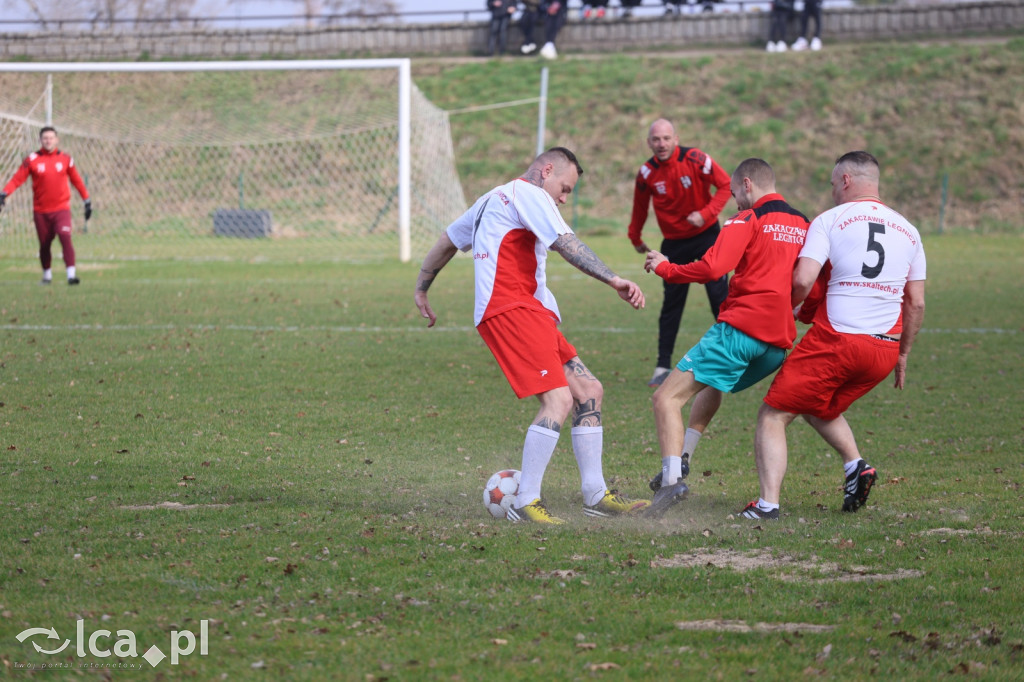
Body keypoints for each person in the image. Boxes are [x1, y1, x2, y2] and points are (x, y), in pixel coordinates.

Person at [415, 147, 651, 524]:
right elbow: (566, 243)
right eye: (565, 188)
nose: (563, 198)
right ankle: (526, 502)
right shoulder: (528, 193)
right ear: (546, 170)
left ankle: (595, 496)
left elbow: (447, 241)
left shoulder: (490, 199)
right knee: (558, 399)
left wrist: (422, 287)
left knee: (589, 391)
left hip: (530, 310)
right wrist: (614, 279)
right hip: (510, 308)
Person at [741, 151, 926, 520]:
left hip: (839, 342)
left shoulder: (830, 219)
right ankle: (856, 466)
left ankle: (767, 506)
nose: (831, 192)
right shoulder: (909, 230)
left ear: (845, 180)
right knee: (815, 403)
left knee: (773, 414)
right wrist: (903, 354)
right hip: (884, 351)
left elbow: (803, 279)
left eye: (831, 184)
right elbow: (916, 303)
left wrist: (784, 310)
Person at [641, 158, 810, 516]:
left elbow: (713, 267)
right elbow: (809, 283)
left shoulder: (747, 218)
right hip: (777, 346)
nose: (734, 201)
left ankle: (670, 483)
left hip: (740, 331)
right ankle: (683, 457)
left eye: (734, 193)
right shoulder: (803, 223)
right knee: (712, 383)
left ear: (747, 184)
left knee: (665, 399)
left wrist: (666, 268)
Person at [627, 118, 731, 387]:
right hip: (674, 243)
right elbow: (640, 207)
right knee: (672, 304)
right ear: (649, 143)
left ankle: (732, 360)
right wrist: (635, 236)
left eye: (666, 138)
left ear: (676, 139)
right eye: (656, 139)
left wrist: (706, 213)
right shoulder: (647, 173)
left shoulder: (696, 159)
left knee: (719, 298)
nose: (661, 144)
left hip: (707, 236)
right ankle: (662, 366)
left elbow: (726, 185)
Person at [0, 127, 91, 285]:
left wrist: (86, 200)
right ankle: (47, 275)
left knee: (65, 237)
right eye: (45, 138)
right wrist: (4, 193)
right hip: (41, 211)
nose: (48, 141)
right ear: (40, 140)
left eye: (51, 138)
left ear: (57, 140)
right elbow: (17, 179)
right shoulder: (32, 159)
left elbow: (77, 181)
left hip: (61, 209)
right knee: (45, 244)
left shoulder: (65, 159)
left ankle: (71, 275)